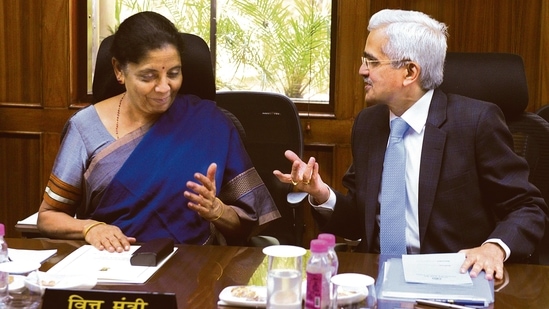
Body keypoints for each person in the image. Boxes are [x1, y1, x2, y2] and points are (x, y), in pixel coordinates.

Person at [274, 9, 547, 280]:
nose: (361, 70)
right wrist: (321, 193)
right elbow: (360, 222)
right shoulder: (368, 125)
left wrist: (493, 248)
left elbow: (527, 207)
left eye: (372, 61)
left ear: (409, 72)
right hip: (375, 276)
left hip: (452, 278)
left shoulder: (475, 123)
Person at [37, 11, 280, 252]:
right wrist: (90, 228)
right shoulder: (86, 127)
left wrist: (217, 211)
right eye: (149, 76)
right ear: (119, 71)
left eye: (173, 73)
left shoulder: (211, 123)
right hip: (113, 264)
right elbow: (48, 217)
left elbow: (247, 224)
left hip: (195, 269)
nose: (164, 87)